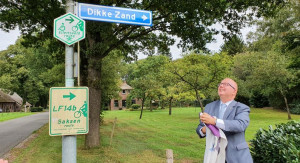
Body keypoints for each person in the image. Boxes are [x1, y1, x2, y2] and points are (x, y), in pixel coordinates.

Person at [196, 78, 253, 163]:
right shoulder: (209, 106)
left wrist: (214, 121)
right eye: (220, 84)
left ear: (234, 91)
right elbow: (200, 127)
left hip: (237, 157)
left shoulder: (242, 108)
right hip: (214, 156)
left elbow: (241, 125)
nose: (221, 85)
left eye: (226, 84)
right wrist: (203, 130)